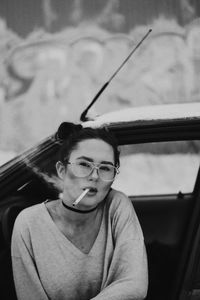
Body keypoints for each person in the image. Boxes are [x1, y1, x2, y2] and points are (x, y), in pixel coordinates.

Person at [11, 122, 148, 300]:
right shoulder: (28, 223)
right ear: (62, 170)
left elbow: (134, 284)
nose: (94, 176)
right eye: (84, 164)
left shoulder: (117, 205)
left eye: (106, 168)